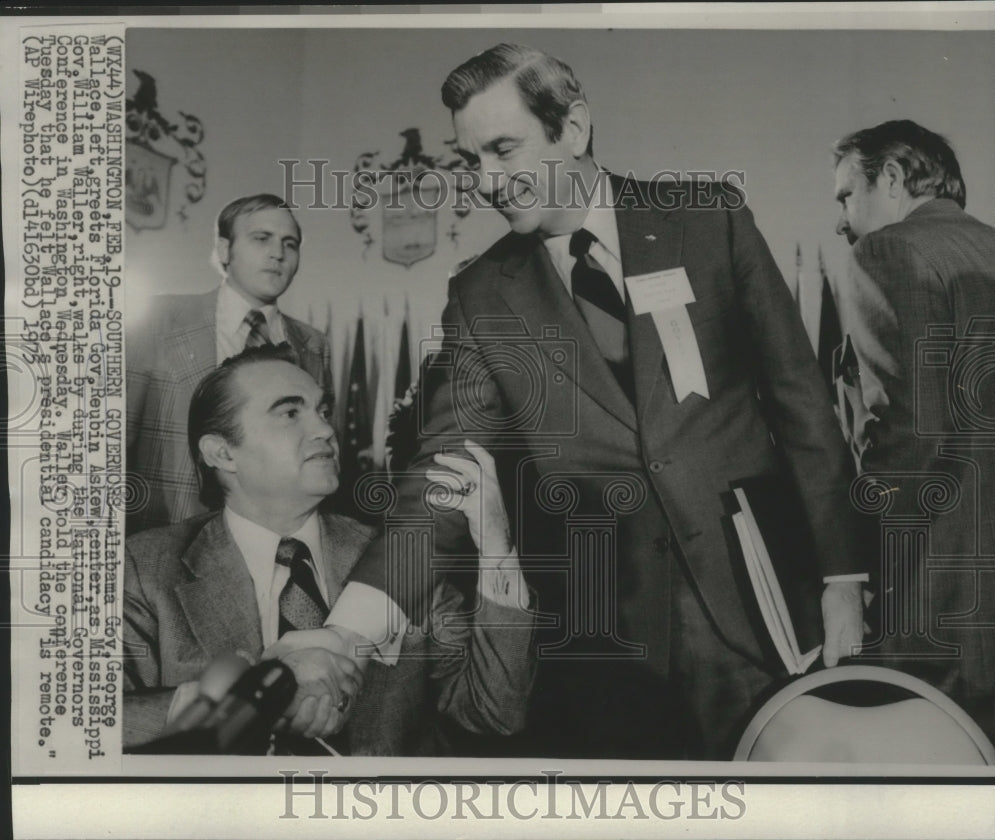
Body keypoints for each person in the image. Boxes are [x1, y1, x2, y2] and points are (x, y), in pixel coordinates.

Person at [319, 43, 868, 760]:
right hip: (604, 645)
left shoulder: (706, 222)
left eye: (504, 150)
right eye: (471, 158)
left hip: (760, 609)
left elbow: (802, 401)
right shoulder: (482, 294)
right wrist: (345, 630)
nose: (486, 181)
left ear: (573, 129)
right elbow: (440, 475)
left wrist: (843, 575)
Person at [123, 344, 535, 754]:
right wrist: (262, 694)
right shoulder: (144, 568)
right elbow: (88, 724)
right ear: (223, 452)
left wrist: (497, 546)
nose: (325, 429)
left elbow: (494, 712)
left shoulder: (399, 560)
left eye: (322, 411)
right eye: (289, 413)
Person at [832, 119, 995, 738]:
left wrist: (854, 566)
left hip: (940, 586)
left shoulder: (886, 251)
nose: (841, 220)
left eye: (846, 196)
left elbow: (907, 433)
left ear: (893, 179)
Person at [125, 193, 332, 534]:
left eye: (290, 243)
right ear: (224, 249)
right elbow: (110, 449)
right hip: (166, 539)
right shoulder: (159, 320)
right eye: (261, 238)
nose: (277, 253)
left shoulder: (312, 344)